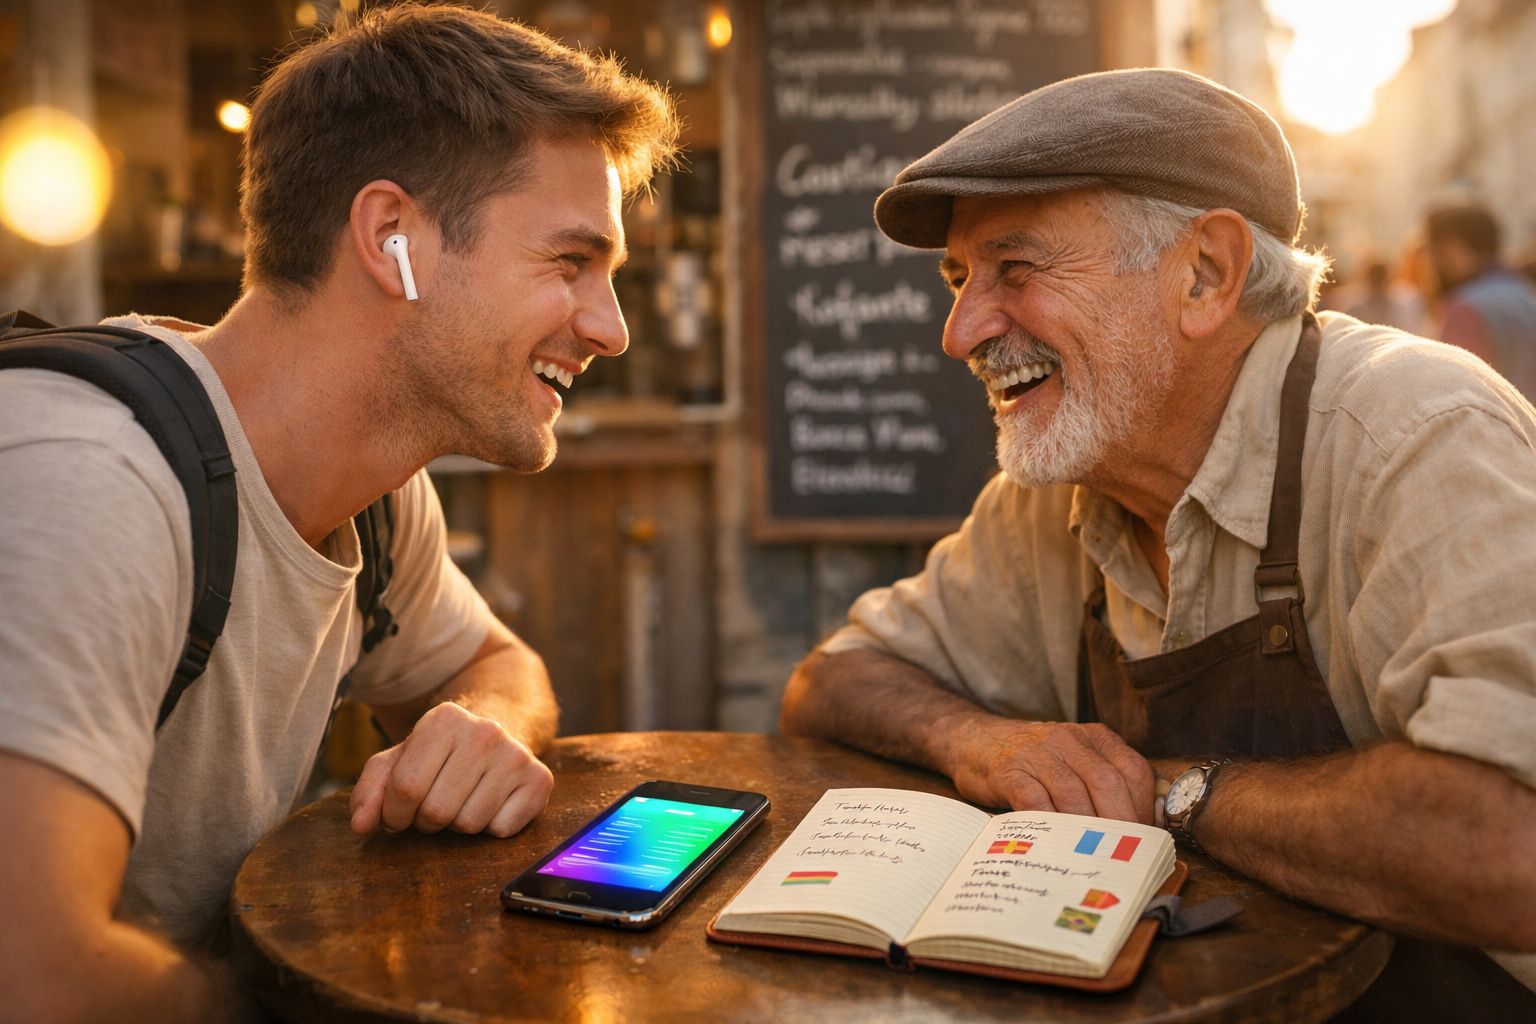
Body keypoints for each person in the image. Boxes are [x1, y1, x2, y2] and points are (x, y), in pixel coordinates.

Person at [779, 68, 1536, 1018]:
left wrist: (1169, 794)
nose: (959, 330)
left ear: (1205, 274)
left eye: (1016, 269)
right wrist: (980, 739)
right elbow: (832, 680)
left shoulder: (1415, 434)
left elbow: (1511, 850)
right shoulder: (1057, 494)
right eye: (962, 280)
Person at [0, 5, 677, 1020]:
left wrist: (482, 723)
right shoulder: (91, 481)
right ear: (391, 236)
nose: (611, 330)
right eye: (570, 262)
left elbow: (497, 664)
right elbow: (35, 977)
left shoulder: (380, 502)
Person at [1425, 202, 1536, 400]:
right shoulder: (1525, 293)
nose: (1431, 262)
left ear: (1451, 247)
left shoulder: (1464, 308)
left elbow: (1454, 394)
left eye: (1433, 249)